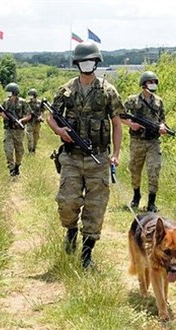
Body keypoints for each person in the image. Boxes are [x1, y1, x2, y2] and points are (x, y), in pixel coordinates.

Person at [46, 41, 124, 269]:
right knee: (67, 202)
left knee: (95, 207)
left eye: (91, 61)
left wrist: (116, 153)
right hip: (71, 157)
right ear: (77, 64)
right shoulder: (66, 90)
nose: (87, 65)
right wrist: (58, 130)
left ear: (97, 63)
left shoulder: (108, 91)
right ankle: (70, 231)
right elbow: (51, 115)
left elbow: (117, 124)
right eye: (83, 61)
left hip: (98, 158)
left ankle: (87, 253)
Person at [122, 71, 168, 212]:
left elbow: (163, 120)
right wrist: (131, 125)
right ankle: (136, 196)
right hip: (137, 141)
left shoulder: (158, 101)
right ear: (143, 84)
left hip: (153, 141)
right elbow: (119, 116)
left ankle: (151, 202)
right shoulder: (132, 100)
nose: (153, 84)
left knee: (154, 169)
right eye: (150, 82)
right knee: (135, 170)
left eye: (154, 82)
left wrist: (162, 127)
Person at [0, 82, 32, 176]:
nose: (8, 94)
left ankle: (17, 166)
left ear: (14, 92)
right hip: (8, 130)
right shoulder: (6, 102)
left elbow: (29, 115)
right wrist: (6, 117)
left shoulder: (23, 102)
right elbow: (0, 111)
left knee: (19, 150)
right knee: (8, 149)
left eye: (10, 92)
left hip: (19, 131)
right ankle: (11, 168)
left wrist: (21, 120)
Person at [26, 88, 44, 153]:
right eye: (29, 95)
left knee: (36, 137)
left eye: (31, 95)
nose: (30, 97)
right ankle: (30, 150)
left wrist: (40, 116)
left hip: (37, 123)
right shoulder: (27, 103)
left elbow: (42, 111)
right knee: (30, 137)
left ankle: (34, 149)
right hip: (30, 122)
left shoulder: (40, 103)